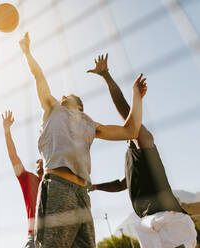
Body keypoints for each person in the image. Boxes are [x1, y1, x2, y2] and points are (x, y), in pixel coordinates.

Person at [19, 32, 147, 248]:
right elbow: (38, 77)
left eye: (66, 95)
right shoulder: (53, 110)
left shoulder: (90, 124)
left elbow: (131, 131)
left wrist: (136, 97)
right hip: (58, 186)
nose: (61, 97)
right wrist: (27, 52)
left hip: (81, 195)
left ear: (79, 105)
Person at [88, 54, 198, 248]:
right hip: (149, 223)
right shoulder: (132, 157)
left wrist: (107, 76)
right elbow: (122, 184)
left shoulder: (145, 142)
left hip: (168, 217)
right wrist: (95, 187)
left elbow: (124, 110)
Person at [1, 110, 44, 248]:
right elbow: (13, 156)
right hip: (35, 237)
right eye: (37, 162)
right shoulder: (28, 179)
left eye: (42, 160)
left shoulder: (57, 181)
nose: (39, 162)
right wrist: (7, 131)